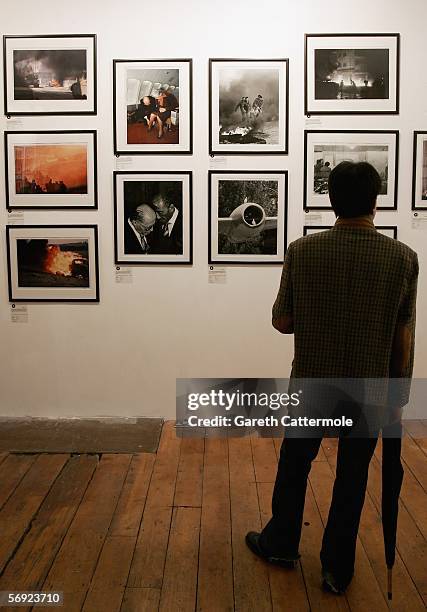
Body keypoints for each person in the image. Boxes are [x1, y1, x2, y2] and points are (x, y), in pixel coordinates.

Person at [245, 161, 418, 594]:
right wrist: (400, 393)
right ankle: (337, 568)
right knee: (352, 476)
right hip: (371, 387)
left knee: (294, 465)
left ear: (330, 199)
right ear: (376, 202)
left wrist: (319, 317)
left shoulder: (303, 250)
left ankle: (281, 543)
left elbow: (282, 321)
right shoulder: (403, 259)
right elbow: (404, 335)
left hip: (313, 384)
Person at [149, 185, 183, 254]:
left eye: (160, 212)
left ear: (171, 207)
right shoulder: (156, 223)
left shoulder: (185, 223)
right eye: (155, 212)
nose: (157, 217)